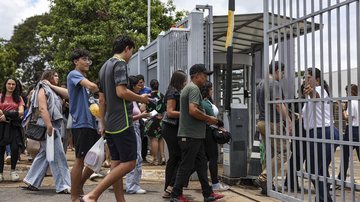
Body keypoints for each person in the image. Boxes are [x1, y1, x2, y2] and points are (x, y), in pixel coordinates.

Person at [82, 35, 149, 202]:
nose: (131, 55)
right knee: (130, 162)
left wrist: (102, 123)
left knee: (116, 164)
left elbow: (102, 99)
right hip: (123, 121)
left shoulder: (104, 67)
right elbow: (121, 92)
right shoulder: (120, 64)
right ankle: (93, 195)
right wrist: (142, 98)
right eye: (131, 51)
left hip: (110, 123)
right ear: (126, 48)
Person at [170, 64, 224, 202]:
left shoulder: (191, 88)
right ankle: (175, 194)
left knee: (201, 164)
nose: (206, 78)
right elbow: (193, 110)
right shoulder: (193, 89)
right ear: (196, 75)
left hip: (194, 135)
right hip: (190, 135)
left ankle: (208, 193)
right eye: (204, 75)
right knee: (186, 165)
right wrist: (209, 119)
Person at [22, 70, 71, 193]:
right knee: (58, 155)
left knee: (45, 154)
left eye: (58, 75)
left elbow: (68, 94)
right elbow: (43, 108)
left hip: (53, 124)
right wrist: (49, 126)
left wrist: (51, 85)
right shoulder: (42, 89)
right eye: (54, 75)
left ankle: (32, 180)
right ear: (48, 77)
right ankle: (63, 185)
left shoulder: (52, 89)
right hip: (47, 124)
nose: (57, 77)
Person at [67, 49, 100, 202]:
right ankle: (74, 196)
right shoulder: (74, 75)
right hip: (81, 122)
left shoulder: (81, 77)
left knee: (96, 159)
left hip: (91, 123)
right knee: (80, 160)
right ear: (75, 61)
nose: (87, 62)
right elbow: (92, 87)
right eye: (84, 59)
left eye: (89, 60)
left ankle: (78, 185)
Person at [302, 67, 340, 202]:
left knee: (313, 170)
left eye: (309, 77)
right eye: (305, 77)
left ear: (317, 80)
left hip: (321, 133)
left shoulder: (319, 89)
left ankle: (325, 199)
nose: (305, 79)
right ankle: (322, 197)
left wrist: (312, 92)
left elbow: (315, 95)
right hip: (324, 132)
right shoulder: (313, 94)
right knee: (320, 169)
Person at [254, 61, 292, 195]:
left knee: (270, 154)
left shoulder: (261, 84)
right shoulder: (274, 84)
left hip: (262, 122)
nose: (283, 75)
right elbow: (277, 104)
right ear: (277, 70)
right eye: (282, 72)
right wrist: (288, 120)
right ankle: (264, 178)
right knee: (285, 152)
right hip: (272, 123)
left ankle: (267, 185)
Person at [161, 70, 187, 198]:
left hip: (171, 128)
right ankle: (170, 186)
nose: (185, 83)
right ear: (179, 81)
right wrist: (186, 114)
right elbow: (170, 112)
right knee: (177, 156)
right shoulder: (173, 92)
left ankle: (169, 187)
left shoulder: (172, 90)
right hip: (171, 128)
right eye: (184, 81)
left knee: (175, 157)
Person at [200, 81, 229, 191]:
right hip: (209, 133)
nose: (212, 91)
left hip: (209, 131)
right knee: (212, 158)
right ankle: (215, 184)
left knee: (203, 158)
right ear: (207, 90)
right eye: (211, 89)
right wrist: (220, 125)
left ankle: (182, 181)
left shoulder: (207, 101)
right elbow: (212, 118)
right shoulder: (204, 102)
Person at [125, 75, 149, 194]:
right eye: (138, 85)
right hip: (132, 128)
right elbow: (129, 118)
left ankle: (133, 184)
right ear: (133, 86)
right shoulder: (129, 99)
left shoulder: (133, 99)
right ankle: (132, 185)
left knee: (136, 157)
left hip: (136, 127)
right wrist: (142, 116)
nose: (141, 87)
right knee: (136, 157)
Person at [0, 78, 25, 182]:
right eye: (9, 84)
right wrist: (13, 113)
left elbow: (21, 113)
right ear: (5, 85)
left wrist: (6, 115)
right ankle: (0, 173)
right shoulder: (0, 96)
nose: (11, 86)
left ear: (16, 86)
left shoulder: (18, 98)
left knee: (15, 148)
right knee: (0, 149)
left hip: (14, 126)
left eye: (13, 84)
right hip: (1, 126)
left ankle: (13, 170)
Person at [337, 84, 360, 181]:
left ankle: (341, 178)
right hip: (358, 129)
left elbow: (347, 118)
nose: (346, 94)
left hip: (351, 130)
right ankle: (341, 177)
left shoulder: (351, 102)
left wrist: (342, 109)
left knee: (345, 155)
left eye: (347, 92)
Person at [144, 79, 166, 165]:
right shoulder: (162, 95)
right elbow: (164, 107)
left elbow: (143, 108)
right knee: (160, 138)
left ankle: (155, 159)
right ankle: (163, 157)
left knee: (154, 139)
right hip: (160, 118)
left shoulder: (148, 96)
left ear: (150, 86)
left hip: (152, 118)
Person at [137, 74, 151, 162]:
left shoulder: (148, 90)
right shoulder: (135, 91)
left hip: (146, 114)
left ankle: (144, 155)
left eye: (141, 83)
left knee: (144, 136)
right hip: (138, 114)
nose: (140, 85)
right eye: (139, 83)